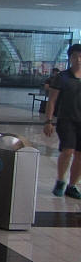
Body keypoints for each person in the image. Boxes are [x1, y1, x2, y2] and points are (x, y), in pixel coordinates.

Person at [44, 44, 81, 199]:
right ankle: (60, 181)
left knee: (80, 155)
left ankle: (72, 186)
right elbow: (52, 100)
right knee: (68, 151)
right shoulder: (62, 77)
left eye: (80, 56)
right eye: (75, 56)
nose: (78, 60)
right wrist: (48, 121)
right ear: (70, 58)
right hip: (67, 120)